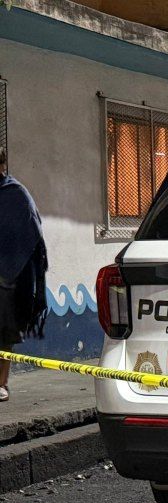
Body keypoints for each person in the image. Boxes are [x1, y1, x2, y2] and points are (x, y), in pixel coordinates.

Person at [0, 146, 49, 403]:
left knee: (4, 334)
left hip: (8, 279)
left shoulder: (15, 194)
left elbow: (29, 236)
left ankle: (1, 383)